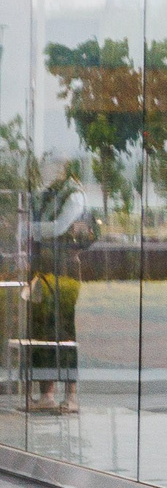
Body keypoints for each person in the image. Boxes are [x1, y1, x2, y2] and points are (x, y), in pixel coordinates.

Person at [24, 169, 92, 416]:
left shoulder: (73, 195)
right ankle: (47, 394)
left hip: (65, 271)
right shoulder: (46, 194)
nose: (47, 170)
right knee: (41, 328)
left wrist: (31, 229)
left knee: (64, 329)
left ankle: (71, 394)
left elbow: (60, 226)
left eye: (52, 165)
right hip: (44, 269)